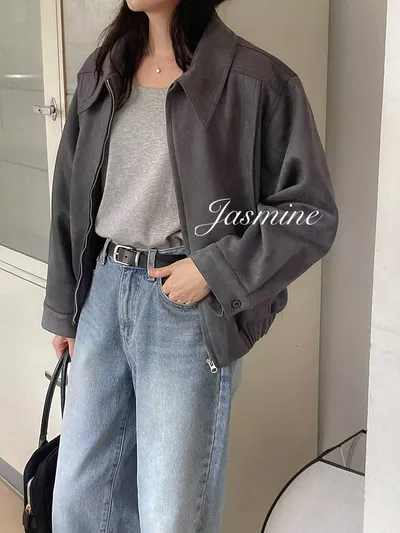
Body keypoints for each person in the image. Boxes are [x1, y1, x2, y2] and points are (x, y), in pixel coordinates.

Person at [41, 1, 339, 531]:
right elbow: (69, 198)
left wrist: (213, 271)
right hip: (103, 293)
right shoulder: (103, 71)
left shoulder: (257, 81)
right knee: (79, 502)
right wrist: (66, 310)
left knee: (171, 511)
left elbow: (309, 212)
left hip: (182, 307)